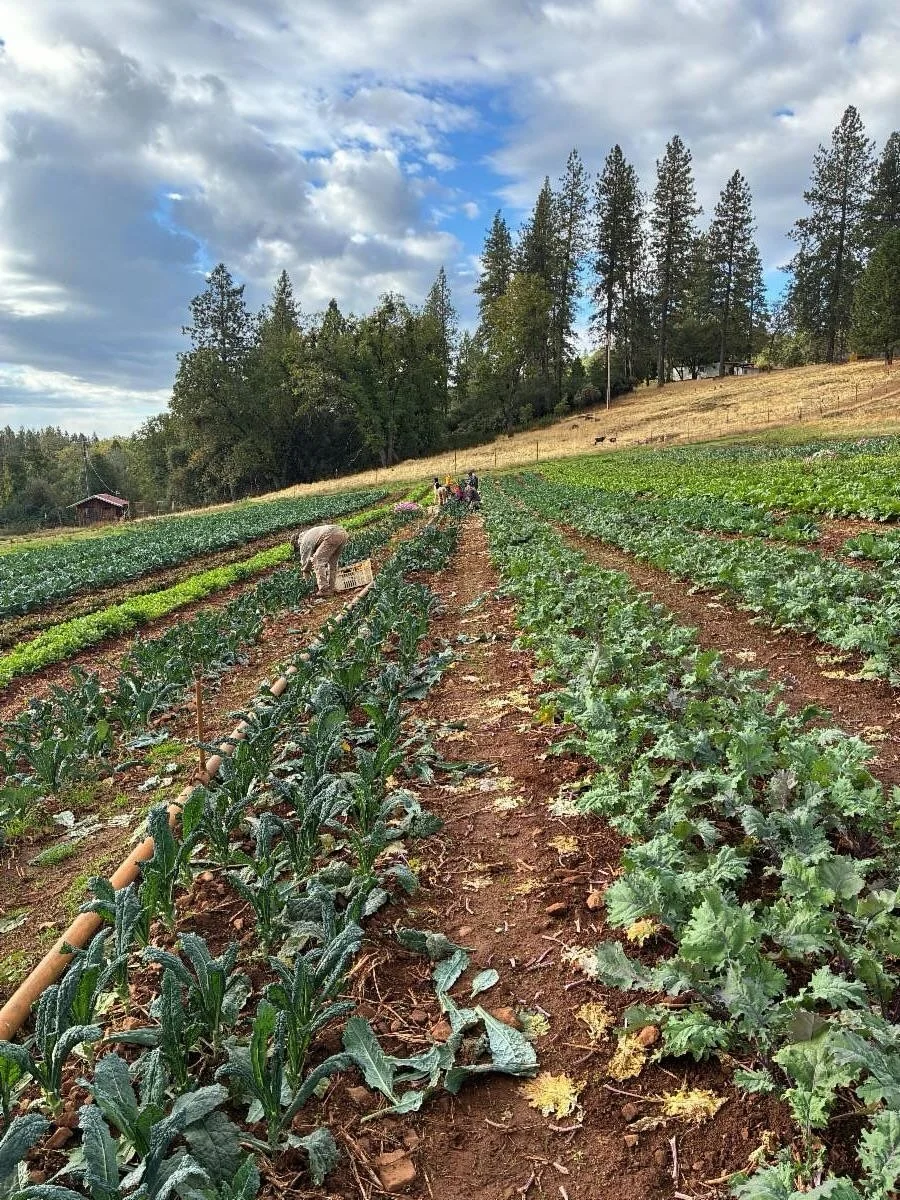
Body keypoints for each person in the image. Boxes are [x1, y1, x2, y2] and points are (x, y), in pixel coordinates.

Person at [291, 523, 349, 599]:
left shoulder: (303, 542)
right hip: (342, 532)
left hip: (331, 535)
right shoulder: (310, 533)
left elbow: (305, 565)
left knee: (317, 560)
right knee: (333, 563)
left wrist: (307, 581)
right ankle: (331, 588)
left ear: (296, 543)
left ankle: (324, 589)